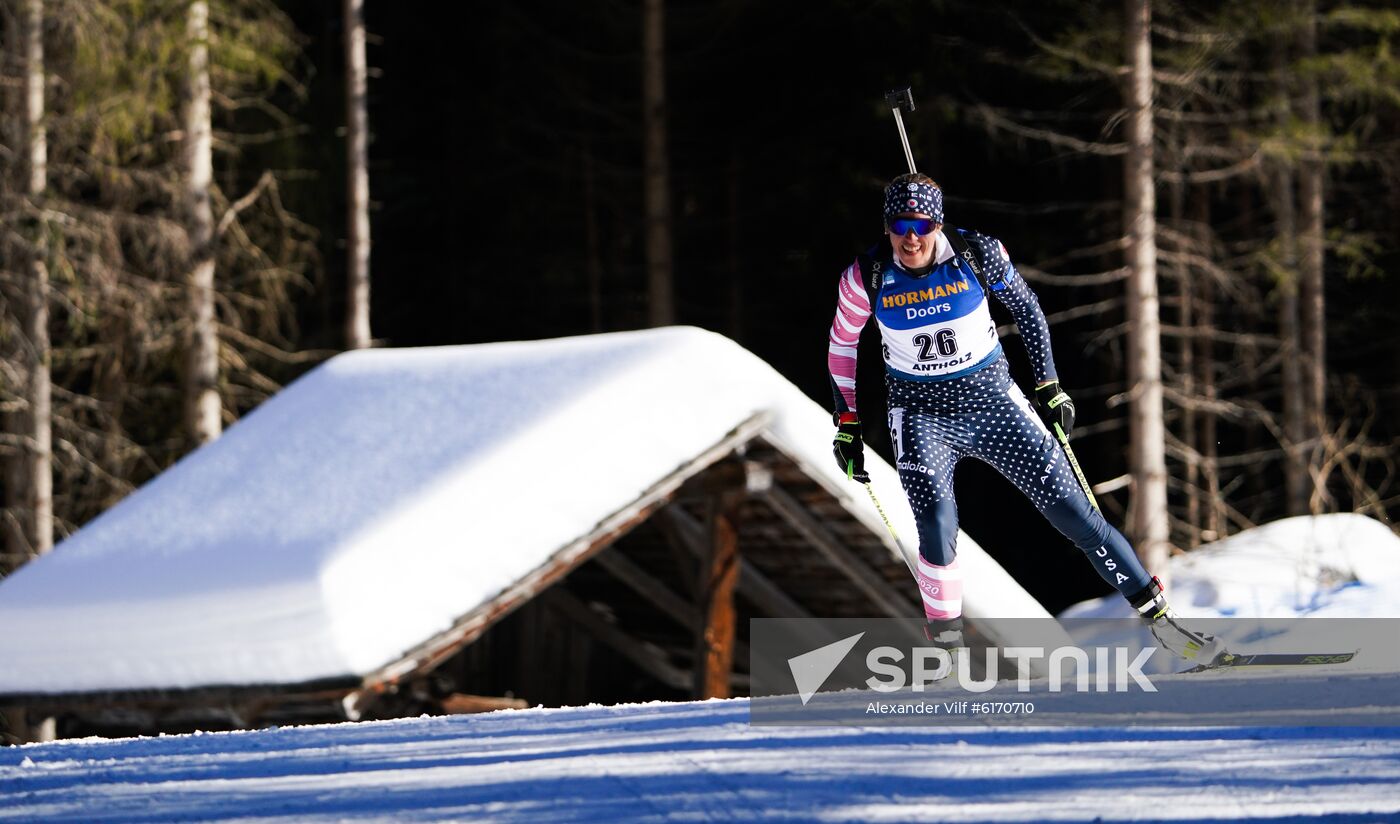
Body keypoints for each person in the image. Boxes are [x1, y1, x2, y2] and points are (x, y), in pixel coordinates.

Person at [826, 172, 1217, 663]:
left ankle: (1163, 622)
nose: (911, 237)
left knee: (1076, 516)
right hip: (922, 414)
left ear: (938, 223)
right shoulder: (867, 276)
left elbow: (1027, 309)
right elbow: (843, 344)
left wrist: (1050, 387)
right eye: (901, 224)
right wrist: (847, 421)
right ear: (887, 227)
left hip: (995, 405)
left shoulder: (977, 253)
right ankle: (947, 657)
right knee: (936, 521)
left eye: (922, 225)